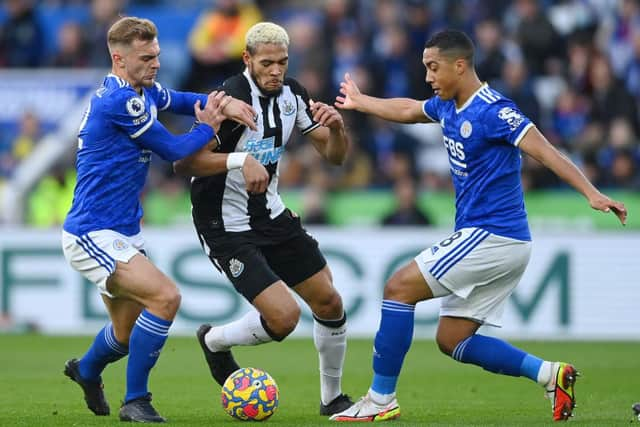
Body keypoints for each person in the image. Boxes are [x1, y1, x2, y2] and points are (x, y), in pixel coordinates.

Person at [330, 29, 627, 422]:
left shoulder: (493, 110)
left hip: (493, 234)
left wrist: (591, 193)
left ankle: (380, 398)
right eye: (425, 68)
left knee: (398, 288)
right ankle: (550, 375)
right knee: (451, 339)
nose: (428, 77)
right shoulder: (448, 106)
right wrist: (362, 102)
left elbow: (545, 150)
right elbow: (409, 109)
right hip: (501, 240)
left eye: (433, 68)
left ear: (460, 65)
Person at [61, 16, 256, 423]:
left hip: (123, 231)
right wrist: (209, 127)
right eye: (146, 57)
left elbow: (182, 100)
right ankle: (136, 401)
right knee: (166, 298)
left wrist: (221, 99)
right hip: (92, 232)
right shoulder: (120, 101)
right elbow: (173, 150)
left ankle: (87, 369)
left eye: (157, 55)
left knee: (126, 334)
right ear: (119, 58)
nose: (155, 63)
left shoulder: (142, 90)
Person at [173, 22, 354, 416]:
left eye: (282, 62)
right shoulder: (228, 99)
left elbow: (335, 156)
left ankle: (333, 399)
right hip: (224, 224)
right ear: (247, 59)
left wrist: (338, 131)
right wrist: (240, 159)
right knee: (284, 318)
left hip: (271, 214)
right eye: (267, 63)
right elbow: (184, 161)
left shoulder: (293, 94)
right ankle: (215, 340)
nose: (276, 70)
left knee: (329, 299)